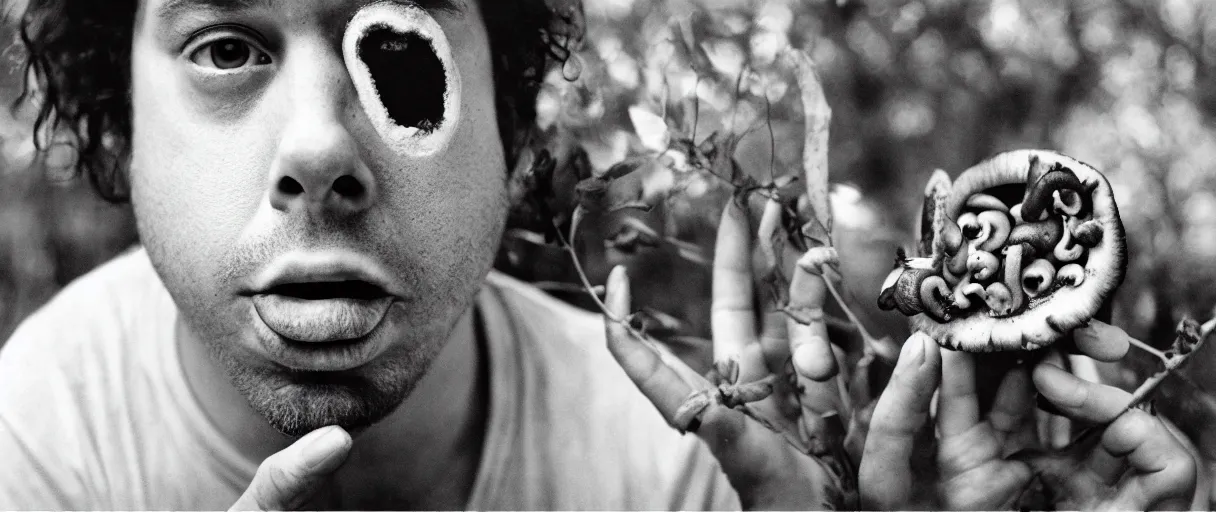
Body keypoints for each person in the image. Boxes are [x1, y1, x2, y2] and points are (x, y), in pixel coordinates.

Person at [0, 0, 1200, 510]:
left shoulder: (675, 464)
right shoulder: (31, 444)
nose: (320, 146)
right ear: (122, 127)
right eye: (224, 48)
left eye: (403, 56)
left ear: (513, 136)